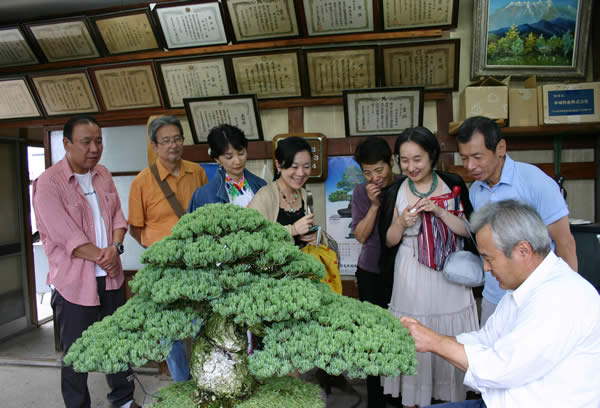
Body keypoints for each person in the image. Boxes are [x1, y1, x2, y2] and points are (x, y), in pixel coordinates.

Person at [402, 200, 600, 408]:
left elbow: (501, 368)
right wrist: (425, 337)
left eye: (489, 258)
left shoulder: (560, 298)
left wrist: (435, 342)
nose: (486, 268)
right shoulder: (525, 287)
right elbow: (485, 340)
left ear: (523, 251)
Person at [32, 116, 139, 408]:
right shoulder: (48, 183)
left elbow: (118, 217)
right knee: (76, 354)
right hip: (75, 284)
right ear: (67, 144)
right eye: (86, 141)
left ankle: (124, 401)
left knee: (117, 344)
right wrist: (104, 256)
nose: (94, 148)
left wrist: (115, 247)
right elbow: (65, 236)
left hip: (112, 277)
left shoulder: (102, 174)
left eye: (99, 141)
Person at [379, 127, 479, 408]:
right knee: (415, 333)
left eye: (418, 159)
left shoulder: (452, 183)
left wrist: (439, 211)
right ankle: (413, 399)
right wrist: (400, 223)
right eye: (404, 160)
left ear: (432, 156)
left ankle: (449, 399)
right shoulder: (394, 192)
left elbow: (468, 231)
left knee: (449, 332)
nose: (411, 167)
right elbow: (388, 241)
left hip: (450, 272)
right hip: (411, 272)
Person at [457, 116, 577, 325]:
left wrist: (568, 297)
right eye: (464, 158)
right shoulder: (476, 190)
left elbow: (565, 243)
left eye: (477, 156)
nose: (470, 166)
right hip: (495, 297)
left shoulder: (535, 182)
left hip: (536, 297)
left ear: (500, 148)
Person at [128, 115, 207, 382]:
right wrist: (160, 251)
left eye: (177, 139)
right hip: (162, 270)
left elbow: (206, 215)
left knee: (200, 326)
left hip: (195, 266)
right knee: (169, 330)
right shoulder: (141, 182)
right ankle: (181, 384)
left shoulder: (197, 172)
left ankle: (204, 381)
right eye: (165, 141)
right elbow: (135, 227)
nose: (173, 145)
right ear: (154, 145)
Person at [351, 136, 400, 408]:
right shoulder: (361, 193)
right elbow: (360, 235)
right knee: (371, 336)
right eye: (367, 172)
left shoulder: (405, 184)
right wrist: (374, 205)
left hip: (401, 271)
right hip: (370, 271)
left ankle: (401, 395)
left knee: (401, 331)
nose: (374, 178)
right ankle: (376, 399)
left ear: (391, 162)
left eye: (379, 170)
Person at [249, 136, 323, 247]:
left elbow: (312, 231)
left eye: (306, 166)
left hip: (304, 263)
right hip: (274, 264)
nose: (301, 173)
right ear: (278, 165)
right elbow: (251, 238)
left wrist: (316, 236)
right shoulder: (264, 196)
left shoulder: (306, 195)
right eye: (294, 166)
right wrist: (292, 230)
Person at [188, 124, 266, 212]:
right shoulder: (204, 194)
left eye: (241, 153)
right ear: (217, 159)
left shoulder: (261, 185)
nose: (237, 161)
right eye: (229, 157)